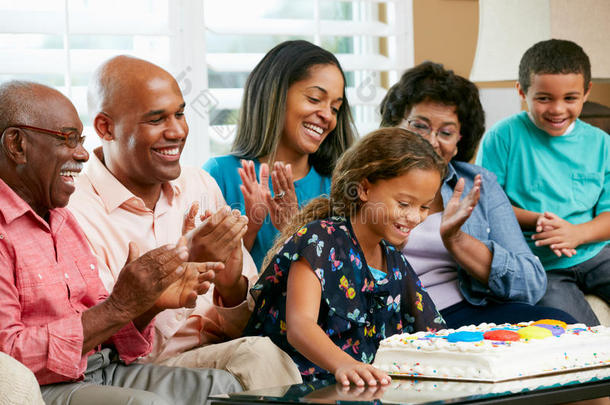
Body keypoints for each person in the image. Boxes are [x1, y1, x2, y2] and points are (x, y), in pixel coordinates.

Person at [68, 55, 302, 390]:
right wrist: (176, 273)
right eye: (156, 119)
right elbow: (106, 353)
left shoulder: (199, 185)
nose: (178, 131)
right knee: (259, 357)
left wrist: (230, 284)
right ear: (105, 127)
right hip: (141, 370)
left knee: (270, 351)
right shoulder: (74, 209)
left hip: (221, 351)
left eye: (179, 113)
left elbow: (248, 324)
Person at [0, 80, 242, 404]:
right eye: (68, 140)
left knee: (226, 388)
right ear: (17, 145)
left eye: (81, 140)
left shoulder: (62, 218)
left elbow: (111, 339)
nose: (83, 153)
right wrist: (119, 306)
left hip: (103, 368)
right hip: (41, 389)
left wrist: (147, 304)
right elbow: (9, 360)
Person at [379, 61, 576, 329]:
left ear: (460, 139)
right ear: (395, 124)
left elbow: (531, 283)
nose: (431, 141)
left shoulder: (477, 183)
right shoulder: (369, 182)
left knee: (562, 325)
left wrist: (457, 240)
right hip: (402, 320)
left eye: (446, 132)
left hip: (474, 311)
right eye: (419, 125)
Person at [245, 128, 447, 385]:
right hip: (300, 387)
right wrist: (345, 365)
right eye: (404, 204)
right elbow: (300, 327)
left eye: (424, 207)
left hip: (363, 389)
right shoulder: (320, 240)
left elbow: (433, 333)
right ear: (364, 189)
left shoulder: (395, 262)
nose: (415, 217)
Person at [476, 39, 610, 326]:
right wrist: (538, 220)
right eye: (544, 98)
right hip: (540, 266)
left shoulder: (601, 144)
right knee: (580, 338)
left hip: (597, 252)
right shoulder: (502, 138)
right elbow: (486, 206)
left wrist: (577, 233)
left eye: (570, 98)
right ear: (522, 92)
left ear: (587, 92)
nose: (557, 109)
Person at [203, 40, 356, 270]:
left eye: (335, 108)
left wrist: (296, 231)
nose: (327, 116)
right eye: (314, 99)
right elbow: (204, 276)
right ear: (274, 95)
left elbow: (348, 281)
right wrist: (251, 227)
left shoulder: (338, 186)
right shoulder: (219, 174)